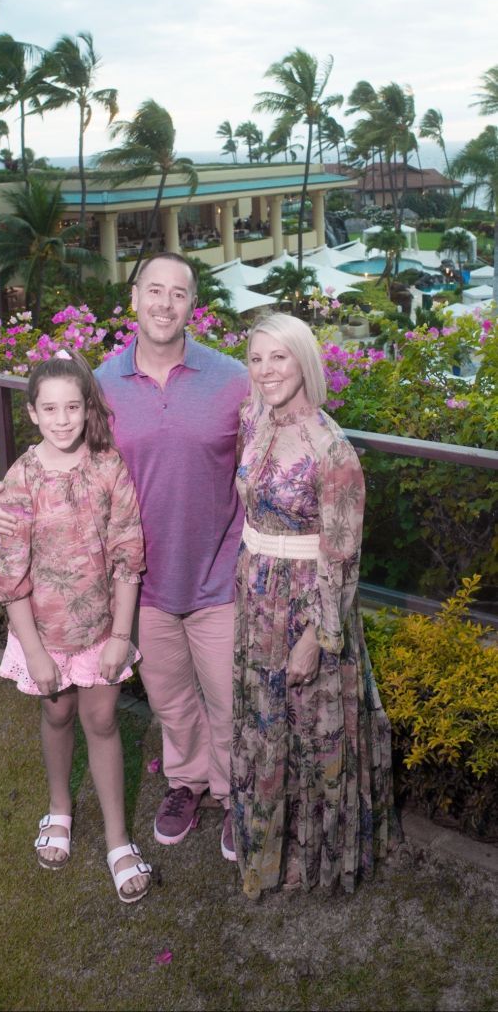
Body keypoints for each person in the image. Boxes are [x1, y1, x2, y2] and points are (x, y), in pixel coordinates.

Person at [0, 254, 250, 862]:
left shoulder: (233, 379)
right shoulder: (99, 386)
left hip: (218, 575)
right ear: (134, 298)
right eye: (153, 290)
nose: (164, 303)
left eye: (177, 293)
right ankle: (186, 782)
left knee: (231, 698)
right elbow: (56, 458)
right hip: (138, 588)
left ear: (192, 304)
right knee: (172, 701)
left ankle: (238, 794)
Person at [231, 312, 399, 899]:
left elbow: (342, 557)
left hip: (307, 608)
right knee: (265, 729)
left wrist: (314, 638)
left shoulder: (332, 449)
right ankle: (265, 850)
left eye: (279, 357)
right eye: (257, 358)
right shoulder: (254, 421)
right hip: (255, 602)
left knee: (310, 733)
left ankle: (311, 858)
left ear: (304, 361)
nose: (267, 369)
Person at [0, 349, 152, 905]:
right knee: (57, 711)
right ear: (32, 413)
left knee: (102, 718)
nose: (62, 420)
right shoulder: (18, 482)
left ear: (88, 409)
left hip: (102, 628)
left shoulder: (109, 468)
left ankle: (116, 837)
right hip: (43, 633)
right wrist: (34, 652)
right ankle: (59, 806)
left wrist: (120, 636)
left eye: (73, 407)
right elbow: (13, 576)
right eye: (50, 409)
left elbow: (129, 555)